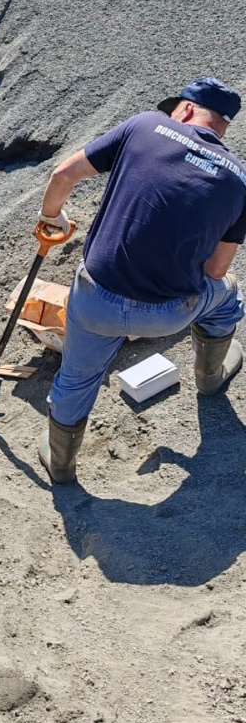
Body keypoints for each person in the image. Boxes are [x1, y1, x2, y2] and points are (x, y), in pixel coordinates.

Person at [36, 77, 246, 484]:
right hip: (167, 315)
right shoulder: (239, 180)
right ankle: (209, 378)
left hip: (97, 298)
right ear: (222, 125)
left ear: (185, 109)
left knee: (77, 376)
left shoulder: (145, 126)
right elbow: (216, 271)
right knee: (228, 292)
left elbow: (64, 174)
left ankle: (61, 462)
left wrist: (51, 217)